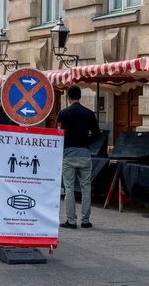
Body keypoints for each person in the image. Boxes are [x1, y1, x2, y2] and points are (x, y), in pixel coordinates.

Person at [56, 86, 101, 229]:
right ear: (80, 97)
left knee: (69, 188)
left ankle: (71, 221)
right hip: (85, 154)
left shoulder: (63, 114)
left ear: (68, 97)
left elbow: (57, 134)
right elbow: (97, 134)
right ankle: (86, 220)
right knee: (86, 187)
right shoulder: (88, 113)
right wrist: (85, 141)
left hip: (68, 154)